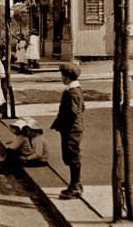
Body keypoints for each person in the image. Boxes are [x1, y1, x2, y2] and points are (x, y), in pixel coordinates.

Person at [51, 64, 85, 200]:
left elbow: (74, 112)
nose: (61, 78)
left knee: (72, 156)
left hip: (71, 129)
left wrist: (64, 124)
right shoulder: (75, 90)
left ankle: (75, 186)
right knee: (70, 156)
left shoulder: (73, 92)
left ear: (67, 77)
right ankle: (75, 184)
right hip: (72, 128)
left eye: (62, 76)